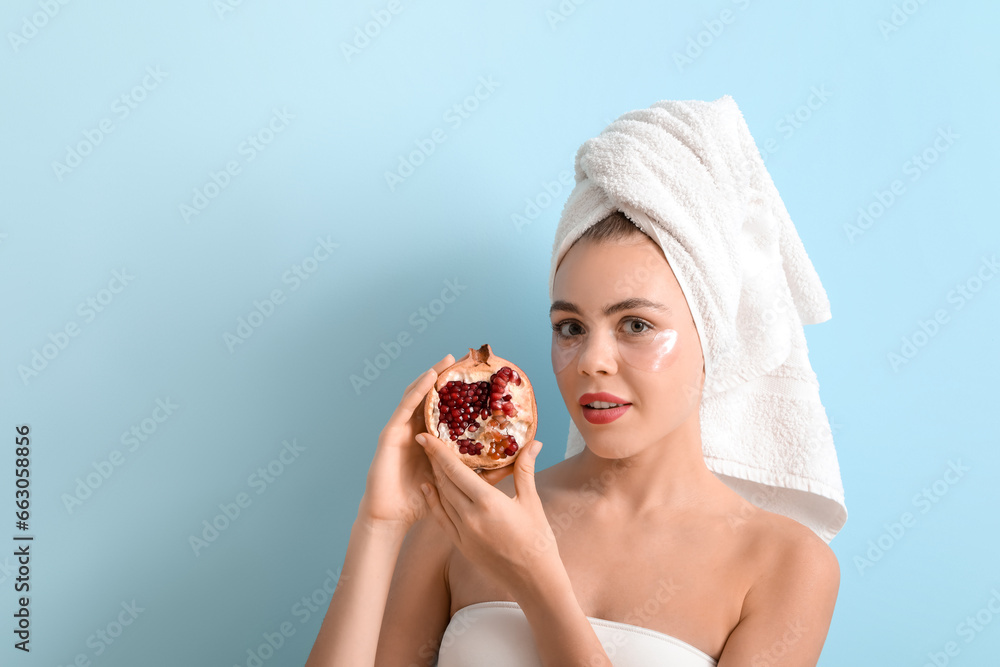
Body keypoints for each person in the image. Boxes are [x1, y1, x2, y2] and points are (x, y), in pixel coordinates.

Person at [305, 211, 841, 667]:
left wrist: (539, 585)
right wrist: (379, 526)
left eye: (635, 325)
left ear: (713, 341)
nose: (591, 362)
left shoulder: (785, 565)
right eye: (571, 327)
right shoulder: (469, 516)